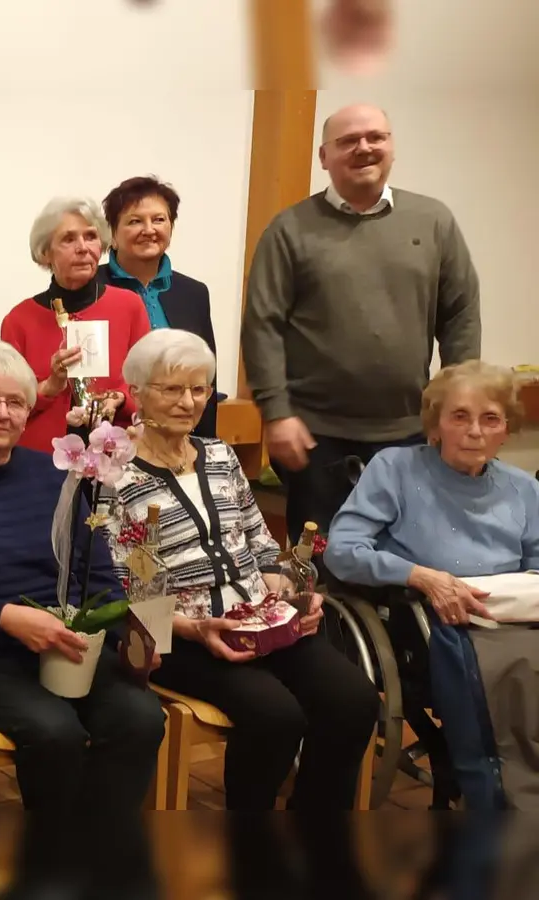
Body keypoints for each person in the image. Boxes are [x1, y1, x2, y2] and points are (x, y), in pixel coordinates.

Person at [105, 329, 378, 810]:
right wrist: (193, 628)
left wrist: (292, 593)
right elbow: (127, 584)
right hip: (184, 636)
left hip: (260, 620)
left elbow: (261, 544)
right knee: (276, 716)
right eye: (171, 388)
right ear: (136, 393)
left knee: (354, 700)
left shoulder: (220, 455)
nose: (188, 401)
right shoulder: (116, 475)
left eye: (199, 388)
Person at [0, 340, 164, 814]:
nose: (2, 412)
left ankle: (103, 846)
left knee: (140, 718)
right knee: (54, 731)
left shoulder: (53, 473)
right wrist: (11, 619)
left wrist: (132, 636)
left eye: (16, 402)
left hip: (66, 641)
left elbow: (96, 569)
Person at [242, 103, 480, 534]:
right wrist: (277, 415)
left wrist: (457, 409)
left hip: (412, 432)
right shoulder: (290, 229)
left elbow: (460, 315)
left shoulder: (433, 221)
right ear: (324, 157)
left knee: (412, 558)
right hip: (316, 437)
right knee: (322, 566)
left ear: (392, 148)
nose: (364, 148)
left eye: (376, 138)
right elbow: (263, 326)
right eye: (348, 141)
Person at [327, 361, 539, 810]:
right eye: (459, 416)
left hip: (512, 615)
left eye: (490, 419)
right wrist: (421, 575)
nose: (475, 431)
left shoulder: (522, 488)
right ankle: (496, 800)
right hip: (433, 622)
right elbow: (341, 551)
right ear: (436, 424)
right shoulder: (396, 469)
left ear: (506, 429)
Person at [1, 197, 150, 453]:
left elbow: (150, 383)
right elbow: (7, 405)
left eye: (91, 236)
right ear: (45, 253)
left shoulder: (129, 307)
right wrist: (50, 386)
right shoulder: (19, 320)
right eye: (68, 239)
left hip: (116, 455)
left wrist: (120, 398)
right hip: (42, 461)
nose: (83, 248)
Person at [100, 176, 218, 437]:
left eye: (159, 219)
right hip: (112, 439)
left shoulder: (194, 293)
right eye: (134, 221)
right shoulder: (93, 290)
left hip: (181, 436)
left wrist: (205, 446)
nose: (149, 229)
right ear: (112, 234)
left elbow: (206, 375)